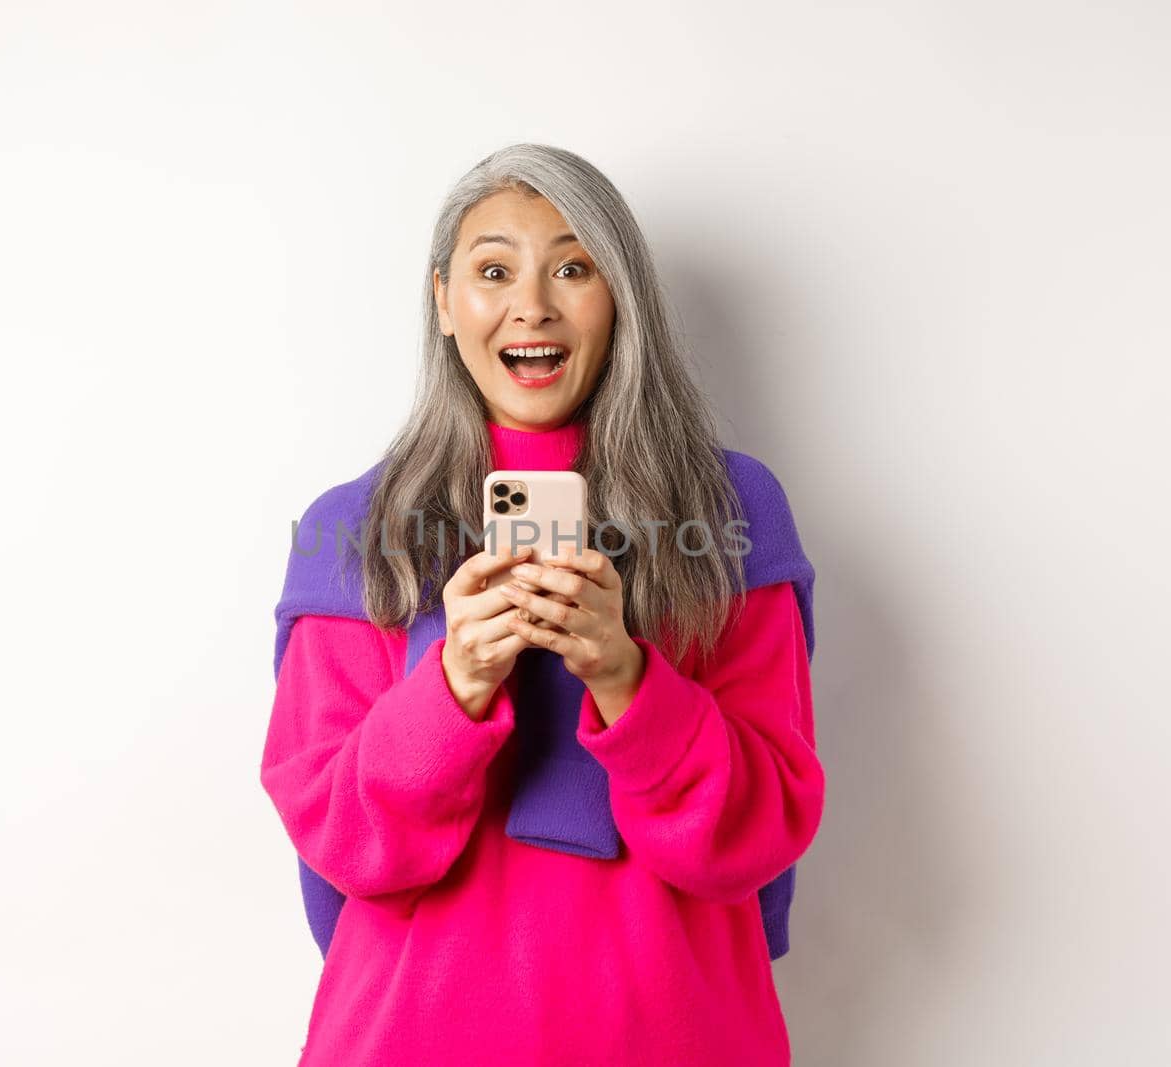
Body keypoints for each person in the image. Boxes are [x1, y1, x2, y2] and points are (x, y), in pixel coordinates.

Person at [261, 143, 825, 1066]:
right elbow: (340, 849)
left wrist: (627, 674)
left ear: (622, 300)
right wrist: (453, 687)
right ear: (445, 301)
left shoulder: (729, 511)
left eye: (573, 266)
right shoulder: (352, 528)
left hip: (675, 1036)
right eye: (493, 270)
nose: (533, 304)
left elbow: (761, 833)